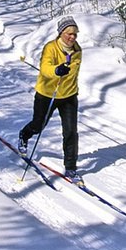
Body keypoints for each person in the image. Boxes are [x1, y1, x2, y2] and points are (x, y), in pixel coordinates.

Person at [19, 16, 84, 185]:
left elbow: (73, 73)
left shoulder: (78, 51)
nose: (72, 37)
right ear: (61, 33)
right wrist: (57, 70)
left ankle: (71, 167)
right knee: (38, 125)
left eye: (75, 34)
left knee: (70, 132)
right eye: (69, 33)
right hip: (47, 94)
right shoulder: (50, 48)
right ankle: (24, 136)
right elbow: (45, 68)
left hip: (69, 96)